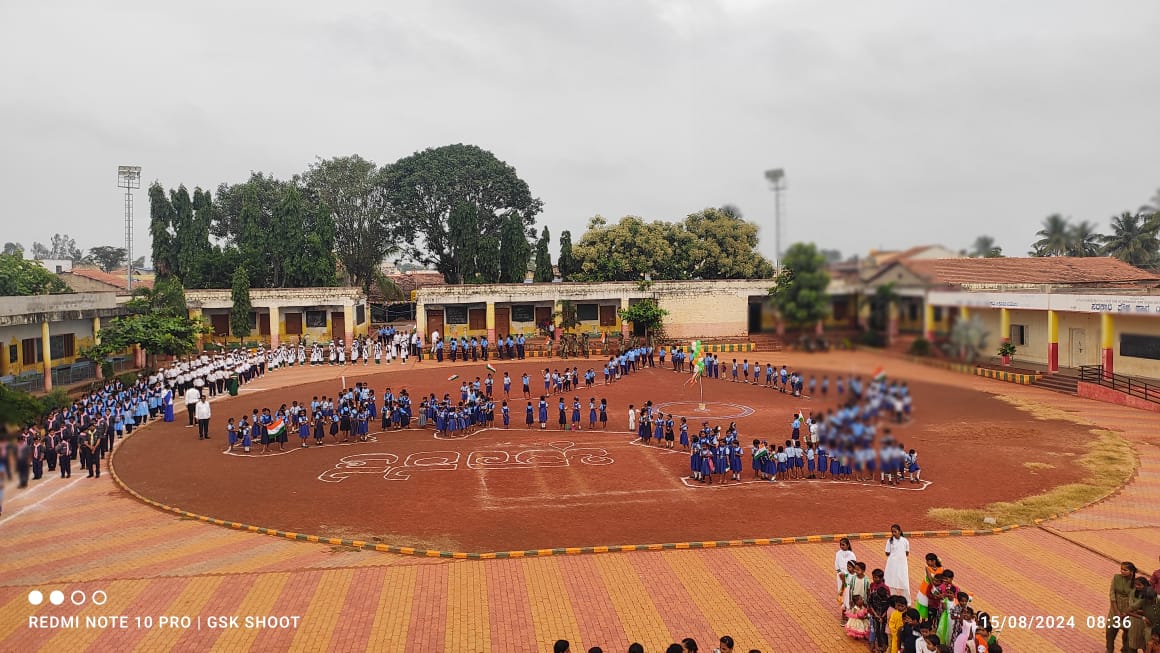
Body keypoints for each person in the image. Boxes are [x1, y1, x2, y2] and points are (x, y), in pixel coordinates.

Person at [1109, 561, 1138, 653]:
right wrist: (1116, 610)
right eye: (1121, 569)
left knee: (1127, 632)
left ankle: (1125, 649)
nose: (1122, 571)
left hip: (1129, 610)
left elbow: (1135, 599)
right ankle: (1109, 649)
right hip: (1115, 607)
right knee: (1110, 630)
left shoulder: (1136, 583)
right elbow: (1112, 593)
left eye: (1125, 570)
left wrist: (1126, 613)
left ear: (1131, 572)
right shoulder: (1116, 577)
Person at [885, 524, 912, 599]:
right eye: (892, 532)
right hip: (892, 564)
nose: (893, 533)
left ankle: (907, 600)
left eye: (895, 531)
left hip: (902, 564)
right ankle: (892, 598)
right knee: (890, 580)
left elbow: (907, 553)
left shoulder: (905, 541)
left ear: (899, 531)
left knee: (904, 581)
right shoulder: (890, 541)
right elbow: (887, 552)